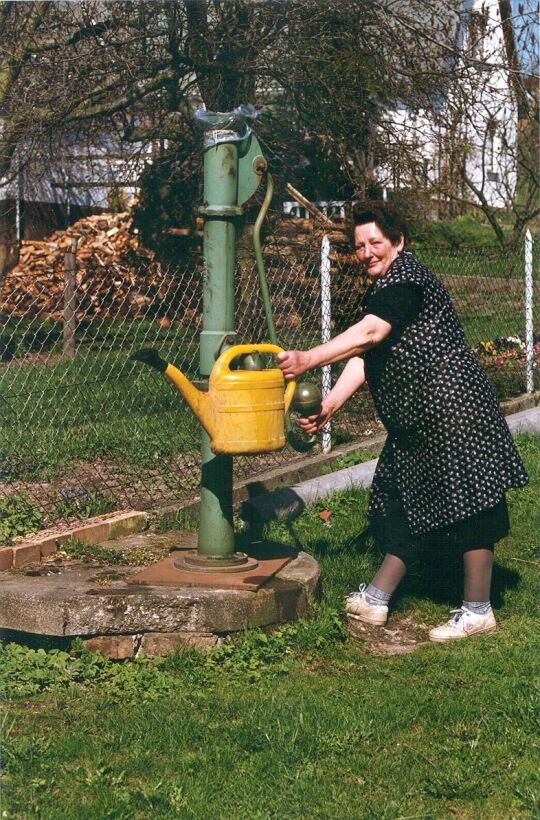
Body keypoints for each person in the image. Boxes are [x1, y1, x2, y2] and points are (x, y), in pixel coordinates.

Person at [276, 201, 528, 642]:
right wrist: (331, 403)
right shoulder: (385, 286)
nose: (367, 252)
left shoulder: (407, 281)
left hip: (453, 410)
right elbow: (370, 352)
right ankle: (376, 599)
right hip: (417, 420)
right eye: (359, 246)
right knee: (399, 502)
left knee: (470, 507)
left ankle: (477, 611)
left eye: (376, 242)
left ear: (398, 242)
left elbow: (370, 334)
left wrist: (307, 359)